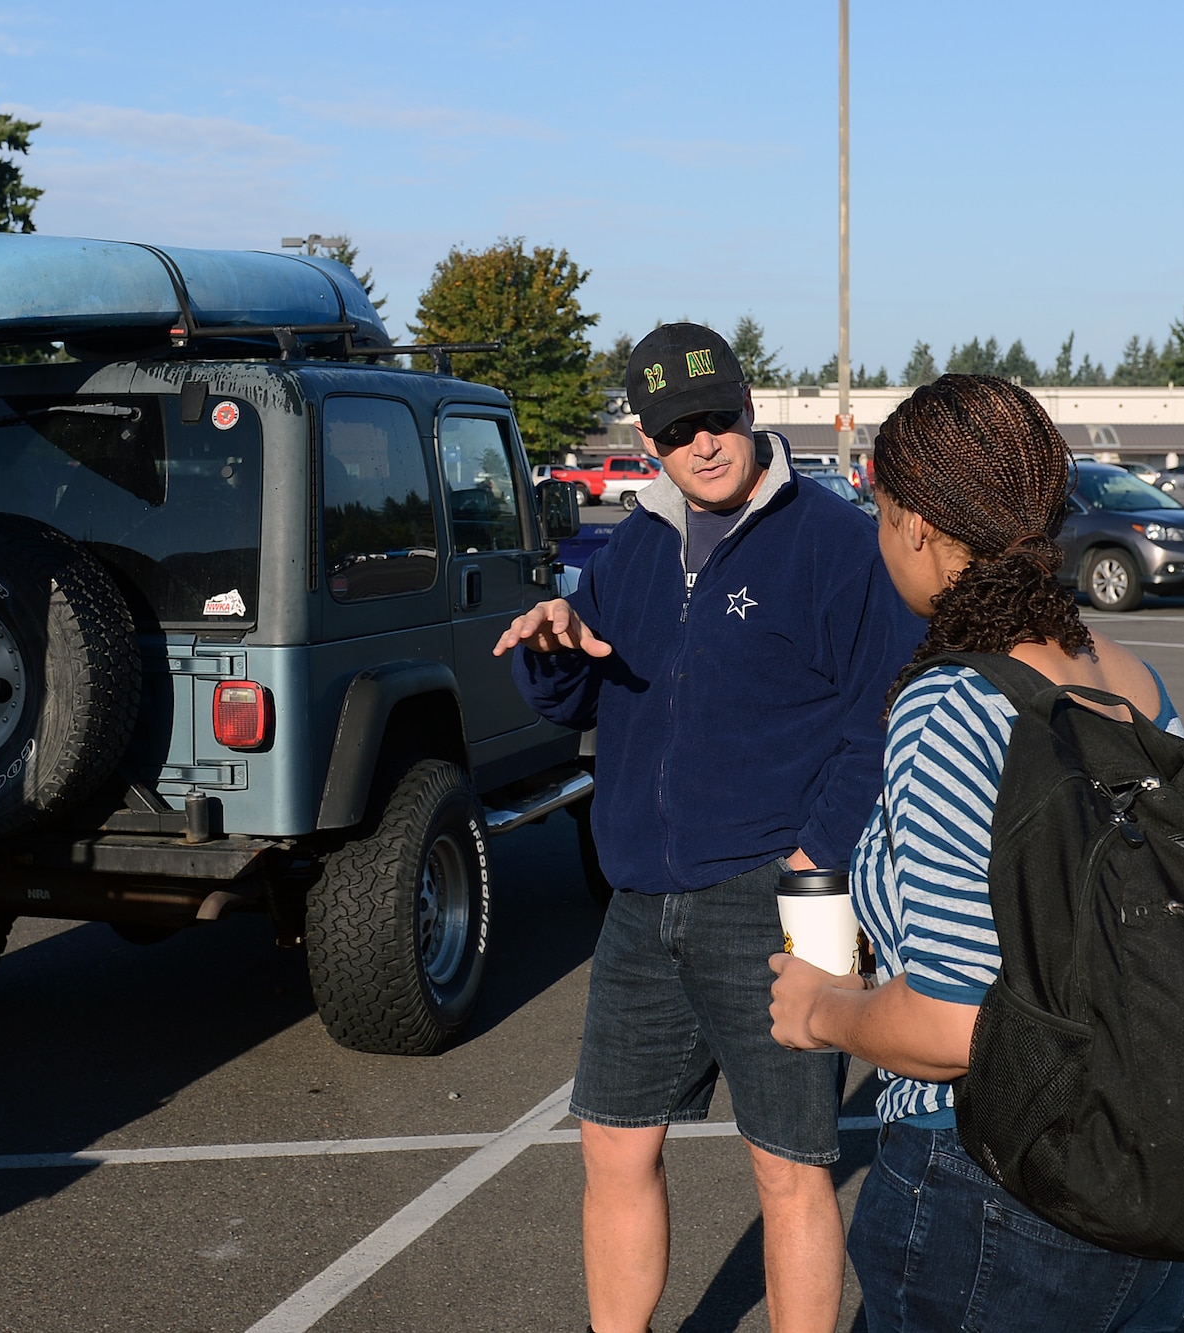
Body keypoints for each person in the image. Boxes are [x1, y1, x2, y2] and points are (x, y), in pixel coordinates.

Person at [494, 323, 926, 1333]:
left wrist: (816, 853)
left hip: (781, 896)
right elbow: (571, 702)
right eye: (677, 427)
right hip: (641, 896)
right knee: (611, 1145)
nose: (703, 442)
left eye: (718, 417)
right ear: (649, 438)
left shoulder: (831, 541)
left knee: (788, 1165)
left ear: (748, 408)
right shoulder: (631, 548)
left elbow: (885, 709)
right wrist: (551, 649)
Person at [767, 374, 1184, 1332]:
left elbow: (951, 1022)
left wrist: (821, 1012)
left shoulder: (953, 704)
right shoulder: (1126, 673)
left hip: (995, 1179)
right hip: (1152, 1157)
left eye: (883, 516)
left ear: (920, 526)